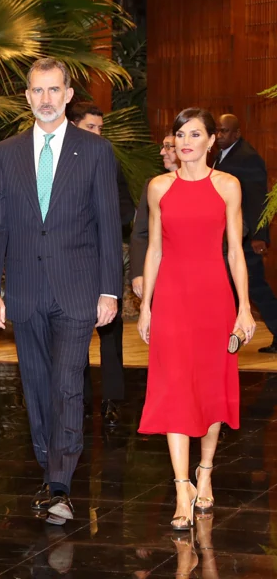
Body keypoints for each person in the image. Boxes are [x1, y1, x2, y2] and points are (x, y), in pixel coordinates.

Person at [0, 57, 122, 526]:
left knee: (66, 383)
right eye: (37, 91)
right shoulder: (7, 153)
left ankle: (60, 481)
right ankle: (49, 465)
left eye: (53, 90)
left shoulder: (95, 152)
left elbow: (107, 225)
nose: (45, 99)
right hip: (23, 289)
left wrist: (110, 290)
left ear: (67, 96)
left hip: (78, 289)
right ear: (27, 97)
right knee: (36, 385)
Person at [137, 108, 255, 530]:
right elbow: (153, 249)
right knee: (172, 388)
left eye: (195, 134)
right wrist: (146, 305)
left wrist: (243, 305)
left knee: (209, 387)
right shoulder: (158, 187)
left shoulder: (227, 186)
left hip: (213, 299)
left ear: (211, 142)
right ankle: (182, 486)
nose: (185, 142)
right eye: (180, 134)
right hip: (171, 298)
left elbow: (235, 251)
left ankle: (205, 470)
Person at [69, 102, 134, 426]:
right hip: (71, 264)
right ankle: (78, 399)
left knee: (110, 332)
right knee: (74, 333)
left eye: (100, 128)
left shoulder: (108, 159)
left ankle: (113, 398)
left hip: (102, 259)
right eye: (90, 127)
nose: (97, 134)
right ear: (74, 126)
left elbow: (125, 209)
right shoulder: (58, 163)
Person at [214, 114, 277, 353]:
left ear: (236, 134)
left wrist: (260, 236)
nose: (220, 136)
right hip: (229, 238)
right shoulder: (222, 155)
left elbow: (259, 200)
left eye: (224, 131)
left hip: (245, 239)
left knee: (257, 290)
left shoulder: (247, 158)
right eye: (218, 131)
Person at [130, 131, 180, 299]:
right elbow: (140, 233)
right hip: (160, 271)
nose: (161, 152)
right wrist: (138, 273)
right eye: (162, 147)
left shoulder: (218, 182)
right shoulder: (153, 185)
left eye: (167, 147)